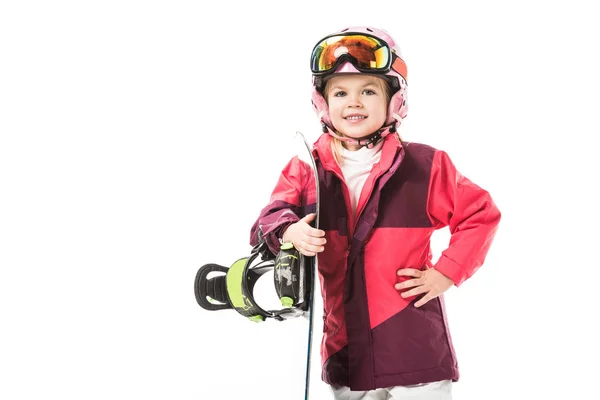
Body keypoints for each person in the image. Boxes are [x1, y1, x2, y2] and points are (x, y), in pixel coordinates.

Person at [250, 26, 501, 400]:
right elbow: (269, 219)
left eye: (368, 91)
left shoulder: (423, 165)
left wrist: (447, 272)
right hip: (345, 346)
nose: (354, 102)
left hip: (413, 342)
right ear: (323, 102)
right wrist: (289, 232)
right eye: (340, 92)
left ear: (394, 101)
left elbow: (480, 214)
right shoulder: (307, 166)